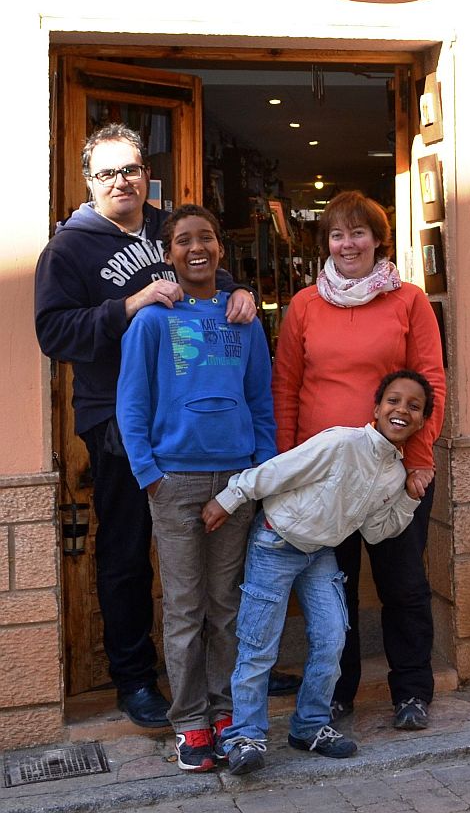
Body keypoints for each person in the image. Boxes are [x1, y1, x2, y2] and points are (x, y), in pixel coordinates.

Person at [33, 123, 257, 729]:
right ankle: (135, 680)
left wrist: (239, 294)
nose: (122, 181)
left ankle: (224, 678)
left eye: (130, 169)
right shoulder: (69, 248)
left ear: (145, 171)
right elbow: (52, 334)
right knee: (129, 554)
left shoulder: (167, 227)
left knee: (214, 567)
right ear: (88, 181)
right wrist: (126, 306)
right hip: (119, 421)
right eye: (107, 173)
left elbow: (205, 269)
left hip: (193, 425)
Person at [201, 369, 435, 775]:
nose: (402, 410)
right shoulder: (342, 441)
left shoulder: (395, 474)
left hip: (319, 553)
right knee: (259, 646)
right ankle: (244, 736)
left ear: (422, 421)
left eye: (414, 407)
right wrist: (230, 497)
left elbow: (377, 532)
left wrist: (411, 499)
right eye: (394, 401)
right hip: (276, 543)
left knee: (331, 638)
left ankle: (309, 725)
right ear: (377, 408)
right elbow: (280, 470)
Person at [273, 190, 445, 731]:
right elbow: (285, 388)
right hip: (323, 476)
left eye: (359, 233)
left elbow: (429, 385)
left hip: (392, 474)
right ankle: (336, 691)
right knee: (332, 588)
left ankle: (412, 691)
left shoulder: (409, 301)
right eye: (337, 235)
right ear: (327, 243)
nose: (348, 244)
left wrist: (419, 459)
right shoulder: (304, 305)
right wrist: (284, 470)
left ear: (378, 240)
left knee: (403, 587)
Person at [116, 204, 276, 772]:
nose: (197, 247)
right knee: (184, 608)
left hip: (235, 479)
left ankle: (229, 711)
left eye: (206, 237)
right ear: (168, 254)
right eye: (183, 240)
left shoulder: (243, 318)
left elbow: (261, 400)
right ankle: (190, 723)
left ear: (221, 249)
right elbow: (131, 403)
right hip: (175, 481)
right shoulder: (152, 321)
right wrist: (150, 476)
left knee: (226, 605)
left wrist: (261, 473)